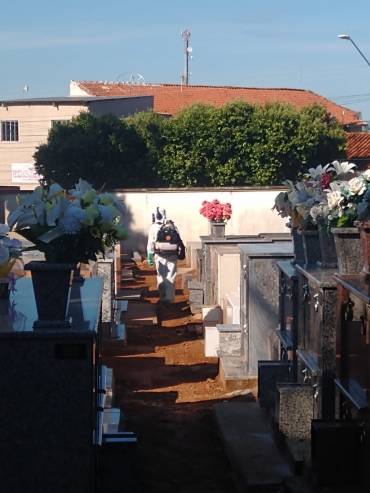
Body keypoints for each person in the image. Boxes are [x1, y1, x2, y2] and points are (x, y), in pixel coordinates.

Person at [147, 206, 181, 307]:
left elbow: (150, 242)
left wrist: (149, 255)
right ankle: (170, 300)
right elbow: (178, 239)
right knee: (171, 275)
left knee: (161, 275)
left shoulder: (153, 227)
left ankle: (162, 297)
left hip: (159, 254)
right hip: (172, 254)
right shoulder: (172, 225)